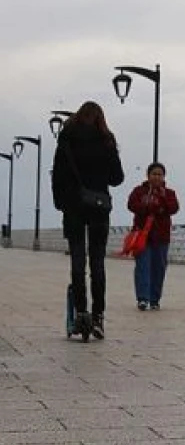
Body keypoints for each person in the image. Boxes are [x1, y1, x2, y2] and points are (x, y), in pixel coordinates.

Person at [50, 101, 125, 339]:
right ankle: (98, 317)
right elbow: (117, 178)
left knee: (78, 263)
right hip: (99, 208)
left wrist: (61, 203)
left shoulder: (66, 139)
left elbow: (57, 175)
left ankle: (81, 314)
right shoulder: (106, 139)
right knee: (98, 264)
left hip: (73, 207)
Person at [127, 162, 180, 311]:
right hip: (142, 235)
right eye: (154, 174)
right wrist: (151, 206)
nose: (157, 177)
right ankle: (142, 298)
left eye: (160, 174)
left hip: (161, 236)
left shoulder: (169, 193)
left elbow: (173, 208)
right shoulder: (139, 191)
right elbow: (132, 205)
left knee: (159, 267)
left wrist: (161, 200)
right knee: (142, 266)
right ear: (148, 175)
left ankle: (155, 299)